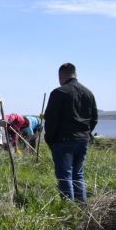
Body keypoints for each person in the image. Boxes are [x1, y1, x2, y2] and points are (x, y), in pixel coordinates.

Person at [44, 63, 98, 202]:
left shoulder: (59, 93)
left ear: (60, 76)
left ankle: (69, 209)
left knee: (64, 176)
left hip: (63, 140)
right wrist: (85, 133)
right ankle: (81, 206)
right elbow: (94, 118)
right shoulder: (88, 93)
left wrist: (50, 139)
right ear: (75, 74)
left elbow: (50, 120)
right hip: (83, 140)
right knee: (78, 174)